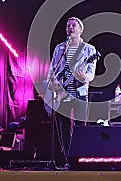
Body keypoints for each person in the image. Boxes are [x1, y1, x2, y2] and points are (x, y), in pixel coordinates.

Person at [46, 17, 97, 163]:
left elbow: (91, 73)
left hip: (79, 92)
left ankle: (81, 159)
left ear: (80, 30)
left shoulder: (89, 49)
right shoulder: (59, 48)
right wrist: (53, 82)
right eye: (68, 26)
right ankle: (69, 161)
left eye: (74, 25)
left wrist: (84, 78)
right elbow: (52, 69)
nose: (70, 28)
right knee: (64, 129)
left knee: (81, 127)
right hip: (62, 93)